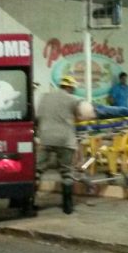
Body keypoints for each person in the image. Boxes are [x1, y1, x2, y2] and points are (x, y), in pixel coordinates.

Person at [36, 75, 84, 215]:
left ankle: (28, 204)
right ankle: (67, 207)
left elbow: (38, 117)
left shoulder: (44, 97)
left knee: (37, 172)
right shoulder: (73, 99)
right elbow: (80, 116)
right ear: (69, 87)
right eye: (73, 88)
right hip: (65, 140)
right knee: (66, 173)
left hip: (46, 138)